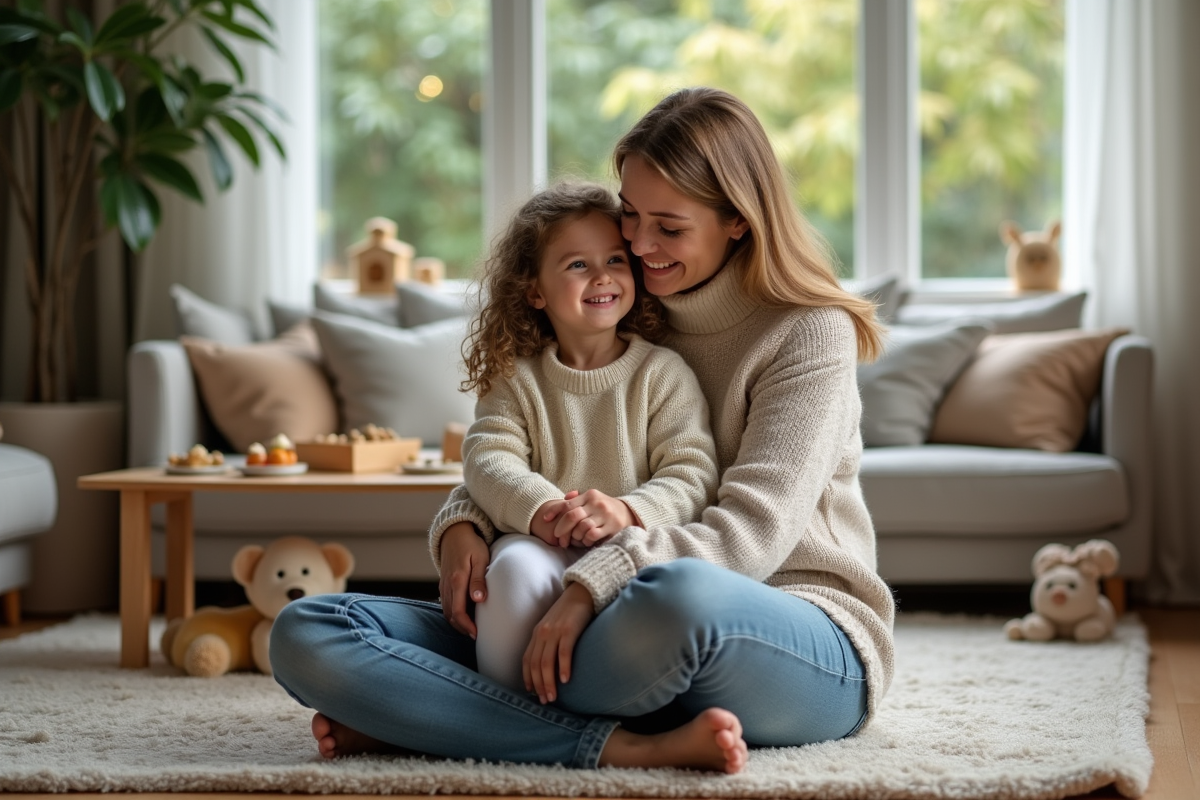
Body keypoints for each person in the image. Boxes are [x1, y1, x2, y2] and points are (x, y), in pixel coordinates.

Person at [270, 87, 895, 775]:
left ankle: (439, 716)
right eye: (630, 215)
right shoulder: (628, 309)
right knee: (311, 631)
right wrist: (463, 521)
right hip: (606, 622)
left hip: (785, 624)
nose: (637, 245)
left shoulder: (808, 332)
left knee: (676, 600)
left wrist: (588, 586)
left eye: (669, 226)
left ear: (738, 221)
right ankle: (609, 742)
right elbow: (533, 438)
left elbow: (752, 532)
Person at [458, 181, 718, 691]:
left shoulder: (662, 373)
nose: (602, 277)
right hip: (541, 547)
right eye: (578, 265)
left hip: (634, 553)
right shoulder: (516, 378)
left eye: (616, 260)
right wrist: (544, 511)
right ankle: (509, 704)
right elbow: (488, 456)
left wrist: (626, 512)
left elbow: (693, 473)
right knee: (509, 576)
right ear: (534, 289)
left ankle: (519, 721)